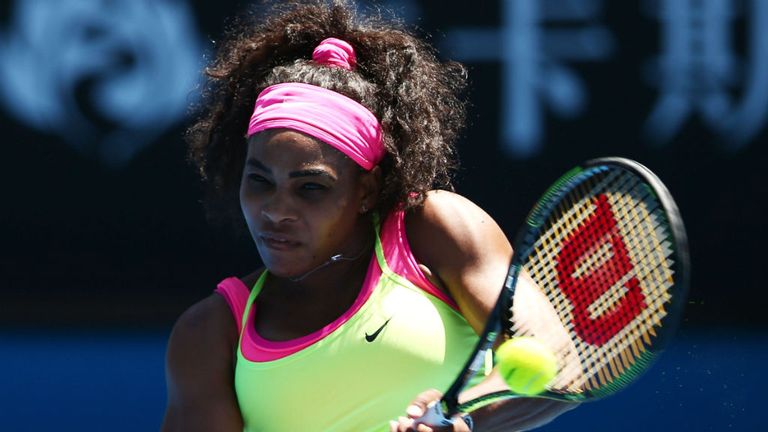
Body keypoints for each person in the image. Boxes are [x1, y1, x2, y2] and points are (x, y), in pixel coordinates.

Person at [162, 1, 576, 431]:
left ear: (367, 190)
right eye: (261, 181)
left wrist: (464, 421)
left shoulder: (434, 230)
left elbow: (555, 362)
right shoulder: (209, 334)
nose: (276, 211)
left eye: (310, 188)